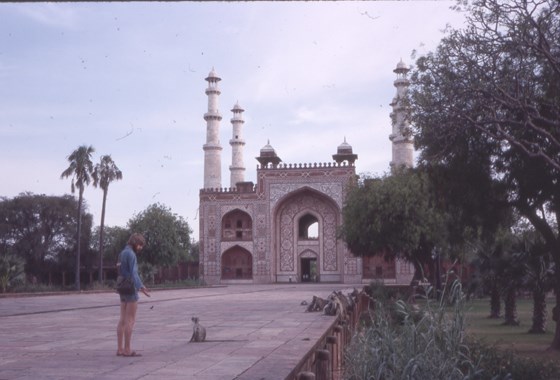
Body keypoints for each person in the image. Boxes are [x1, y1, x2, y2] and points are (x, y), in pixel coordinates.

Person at [116, 233, 150, 357]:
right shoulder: (131, 254)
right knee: (130, 319)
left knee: (122, 319)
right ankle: (127, 349)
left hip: (121, 287)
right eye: (140, 245)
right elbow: (134, 274)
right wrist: (141, 286)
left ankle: (120, 349)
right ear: (136, 243)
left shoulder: (121, 253)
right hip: (130, 288)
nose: (140, 248)